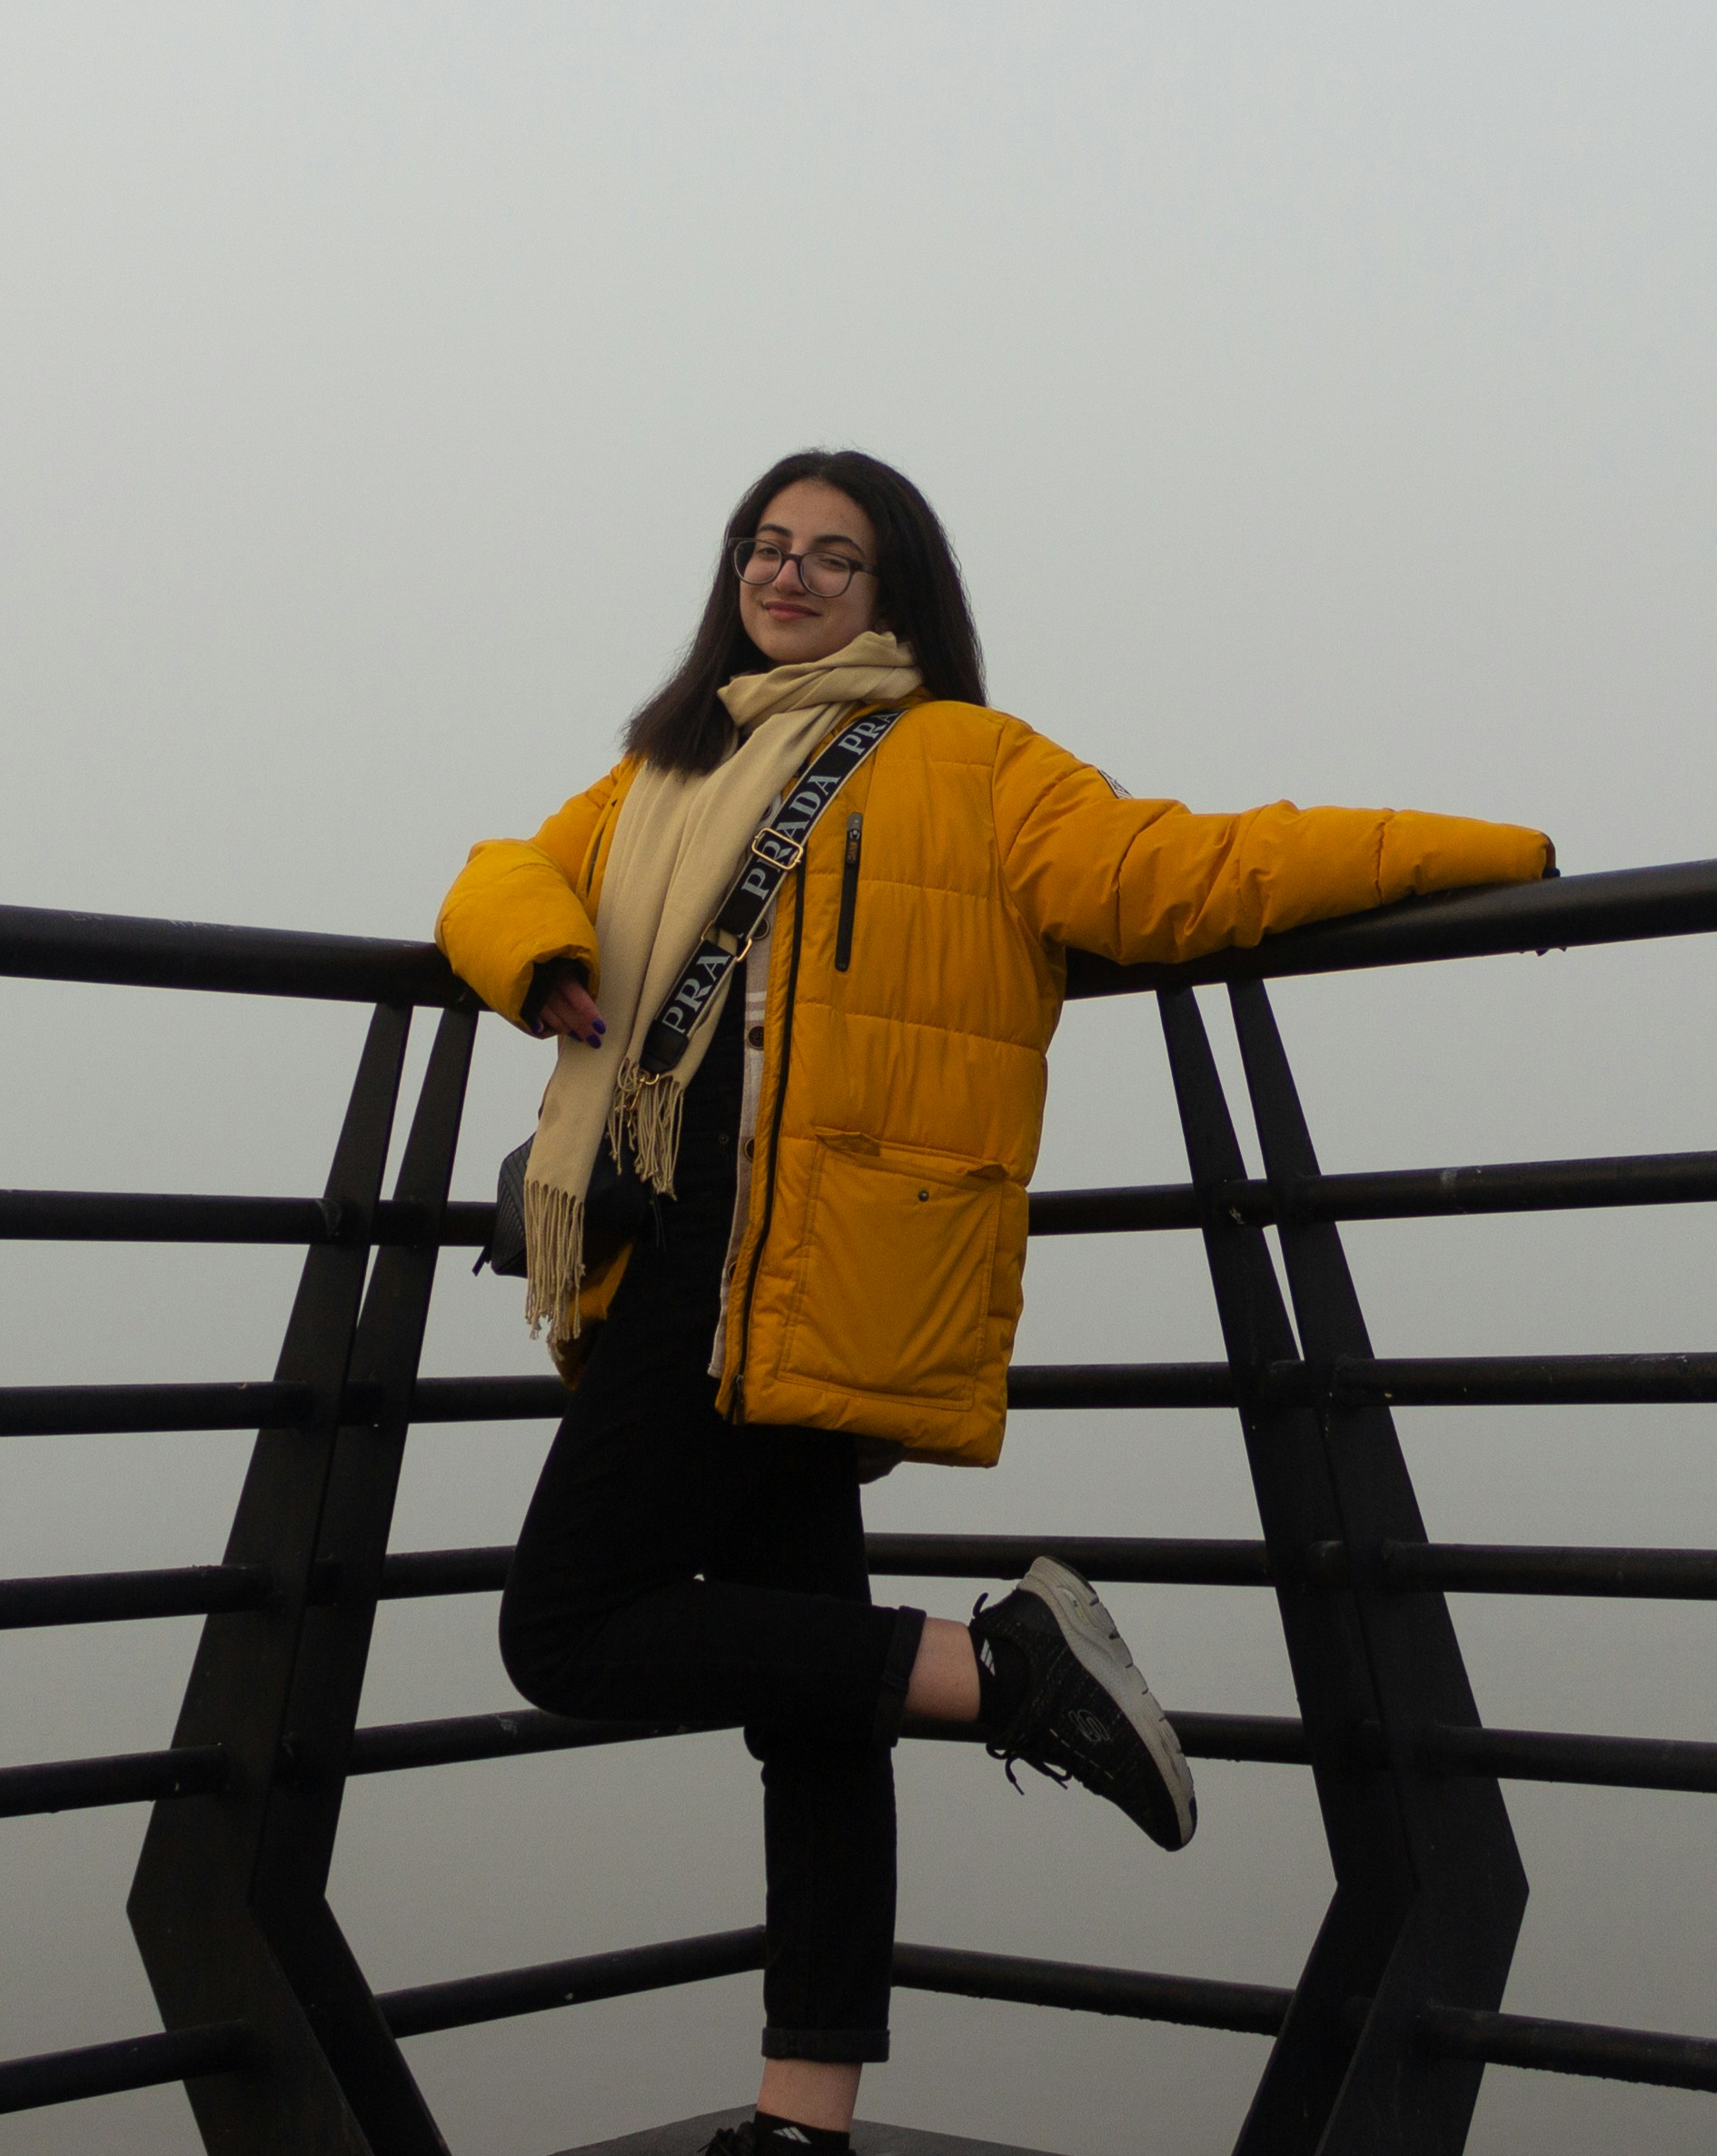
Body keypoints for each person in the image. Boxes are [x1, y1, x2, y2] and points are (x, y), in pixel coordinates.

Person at [441, 450, 1552, 2156]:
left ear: (898, 595)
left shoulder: (974, 765)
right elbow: (502, 866)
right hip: (673, 1253)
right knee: (812, 1706)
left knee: (564, 1628)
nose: (789, 577)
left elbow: (1183, 876)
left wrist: (1480, 853)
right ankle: (807, 2112)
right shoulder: (667, 767)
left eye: (833, 557)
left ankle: (1006, 1667)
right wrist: (542, 955)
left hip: (802, 1272)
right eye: (766, 547)